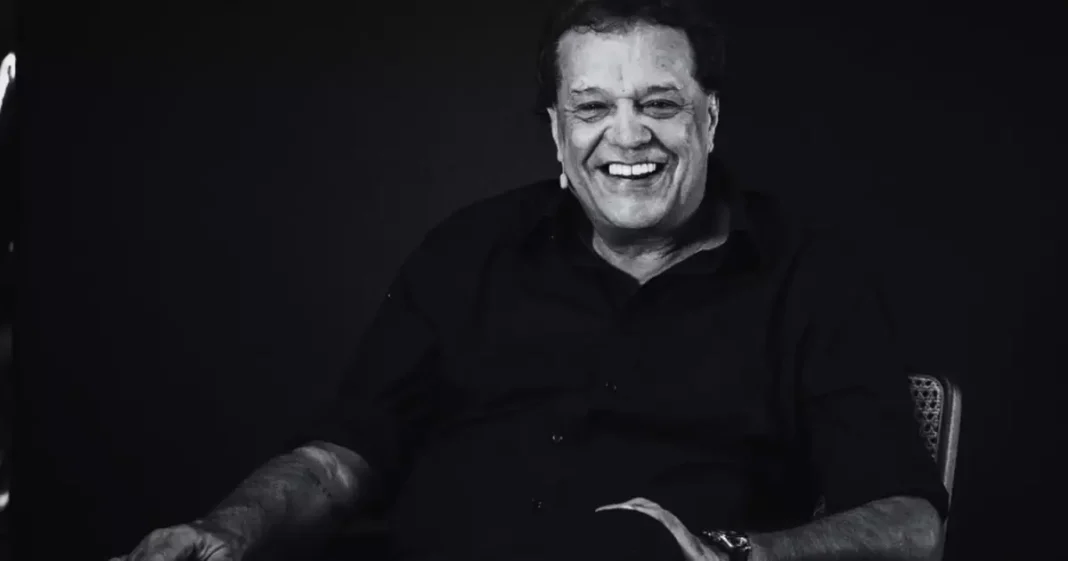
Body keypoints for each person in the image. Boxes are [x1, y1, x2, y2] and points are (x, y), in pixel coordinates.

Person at [113, 0, 949, 560]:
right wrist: (225, 529)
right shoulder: (469, 248)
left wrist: (733, 552)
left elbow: (912, 523)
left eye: (659, 104)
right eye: (593, 108)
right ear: (557, 131)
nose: (628, 135)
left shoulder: (810, 275)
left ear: (709, 118)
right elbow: (337, 463)